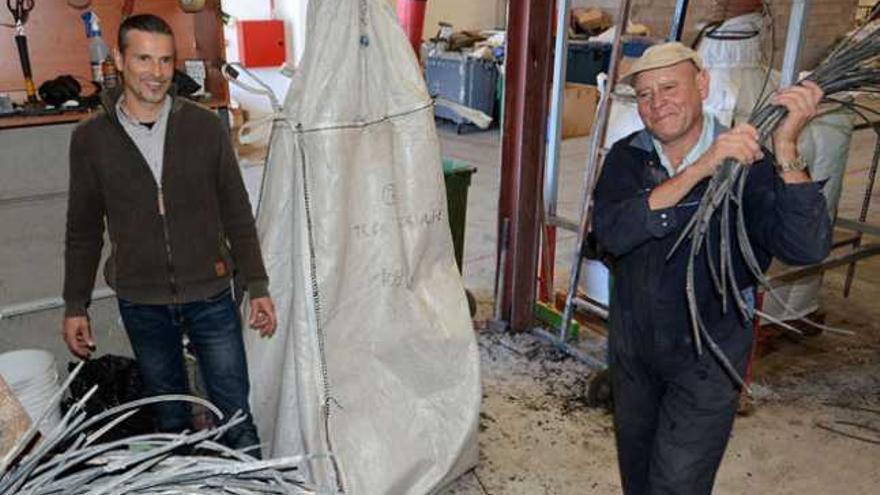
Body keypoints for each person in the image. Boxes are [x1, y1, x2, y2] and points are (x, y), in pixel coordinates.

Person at [593, 42, 831, 494]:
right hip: (634, 356)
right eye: (644, 94)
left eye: (668, 87)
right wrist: (702, 168)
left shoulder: (752, 165)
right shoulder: (628, 158)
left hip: (708, 358)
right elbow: (611, 233)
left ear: (702, 85)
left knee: (677, 485)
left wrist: (786, 146)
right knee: (638, 479)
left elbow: (806, 247)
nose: (656, 103)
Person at [62, 14, 277, 455]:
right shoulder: (90, 139)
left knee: (236, 418)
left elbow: (237, 211)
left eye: (164, 60)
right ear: (119, 60)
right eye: (143, 58)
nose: (156, 73)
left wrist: (257, 285)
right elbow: (83, 230)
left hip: (211, 293)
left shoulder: (203, 127)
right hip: (142, 301)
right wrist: (74, 304)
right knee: (171, 424)